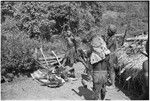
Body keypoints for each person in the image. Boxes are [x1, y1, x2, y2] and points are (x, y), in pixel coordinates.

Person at [89, 34, 110, 100]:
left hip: (96, 74)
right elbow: (108, 64)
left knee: (96, 91)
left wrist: (90, 75)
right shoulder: (106, 54)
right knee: (103, 89)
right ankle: (102, 99)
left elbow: (90, 67)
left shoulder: (93, 55)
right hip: (104, 73)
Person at [105, 24, 118, 89]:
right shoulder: (110, 37)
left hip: (111, 56)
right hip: (109, 55)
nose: (107, 31)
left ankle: (113, 85)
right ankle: (110, 82)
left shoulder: (112, 38)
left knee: (111, 70)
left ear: (111, 31)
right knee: (109, 69)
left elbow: (107, 47)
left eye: (108, 30)